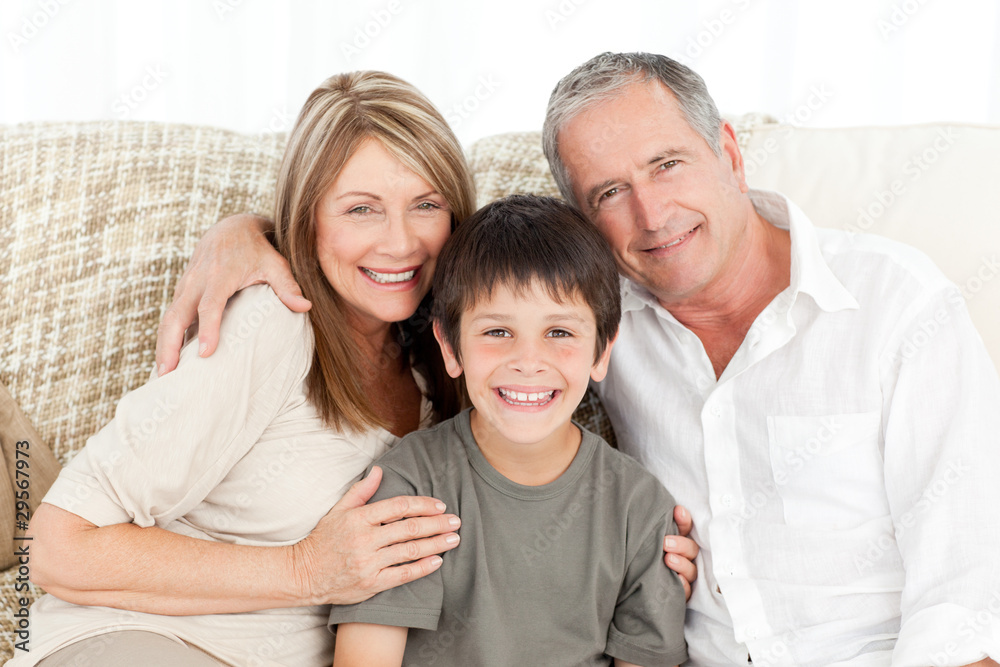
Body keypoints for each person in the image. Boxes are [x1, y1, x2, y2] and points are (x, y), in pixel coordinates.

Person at [158, 52, 1000, 666]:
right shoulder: (589, 313)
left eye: (668, 163)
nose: (651, 212)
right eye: (607, 193)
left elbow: (967, 597)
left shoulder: (896, 309)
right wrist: (245, 235)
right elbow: (452, 268)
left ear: (731, 155)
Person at [13, 70, 477, 667]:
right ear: (307, 218)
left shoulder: (445, 358)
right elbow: (55, 548)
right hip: (143, 641)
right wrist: (307, 570)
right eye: (361, 209)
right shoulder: (271, 324)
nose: (400, 242)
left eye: (426, 205)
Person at [329, 194, 688, 667]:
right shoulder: (407, 487)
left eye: (559, 332)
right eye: (497, 332)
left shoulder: (640, 510)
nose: (528, 362)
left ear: (602, 351)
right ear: (450, 347)